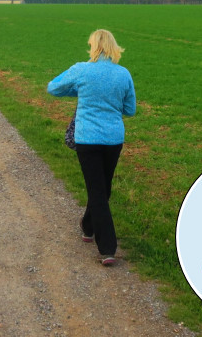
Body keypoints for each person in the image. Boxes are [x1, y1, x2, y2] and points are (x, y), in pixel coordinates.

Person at [47, 29, 136, 266]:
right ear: (113, 47)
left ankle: (88, 225)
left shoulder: (81, 70)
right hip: (113, 139)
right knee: (100, 190)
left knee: (101, 190)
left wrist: (78, 89)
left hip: (88, 138)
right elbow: (130, 109)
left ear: (93, 46)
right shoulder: (123, 74)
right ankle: (107, 247)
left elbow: (53, 87)